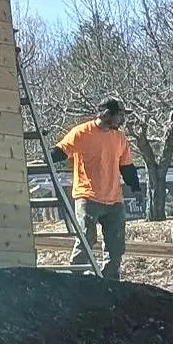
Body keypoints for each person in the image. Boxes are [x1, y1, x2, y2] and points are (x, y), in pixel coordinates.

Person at [55, 97, 135, 281]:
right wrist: (45, 160)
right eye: (120, 115)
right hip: (88, 196)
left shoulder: (119, 138)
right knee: (86, 239)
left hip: (114, 199)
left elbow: (127, 167)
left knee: (116, 245)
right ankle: (75, 278)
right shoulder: (82, 132)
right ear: (107, 115)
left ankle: (110, 280)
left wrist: (135, 187)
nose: (122, 119)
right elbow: (61, 150)